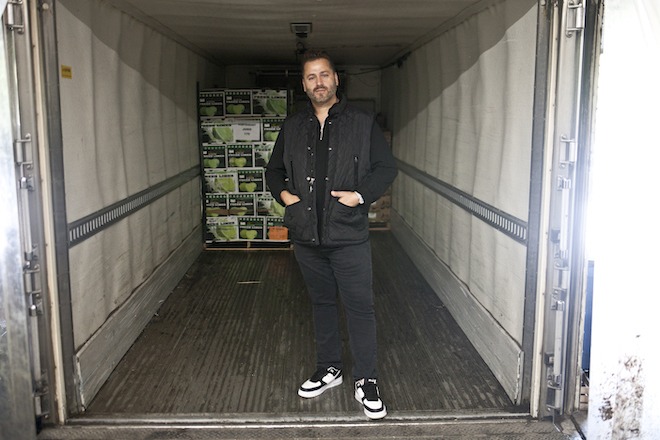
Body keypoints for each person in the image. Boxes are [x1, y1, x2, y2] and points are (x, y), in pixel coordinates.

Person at [265, 50, 398, 420]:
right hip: (307, 237)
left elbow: (386, 168)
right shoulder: (293, 127)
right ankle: (330, 368)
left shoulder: (361, 122)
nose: (318, 82)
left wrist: (359, 196)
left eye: (324, 75)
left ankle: (366, 379)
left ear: (336, 79)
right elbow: (274, 171)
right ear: (304, 84)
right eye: (311, 77)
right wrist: (286, 197)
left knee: (360, 307)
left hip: (348, 235)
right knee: (321, 304)